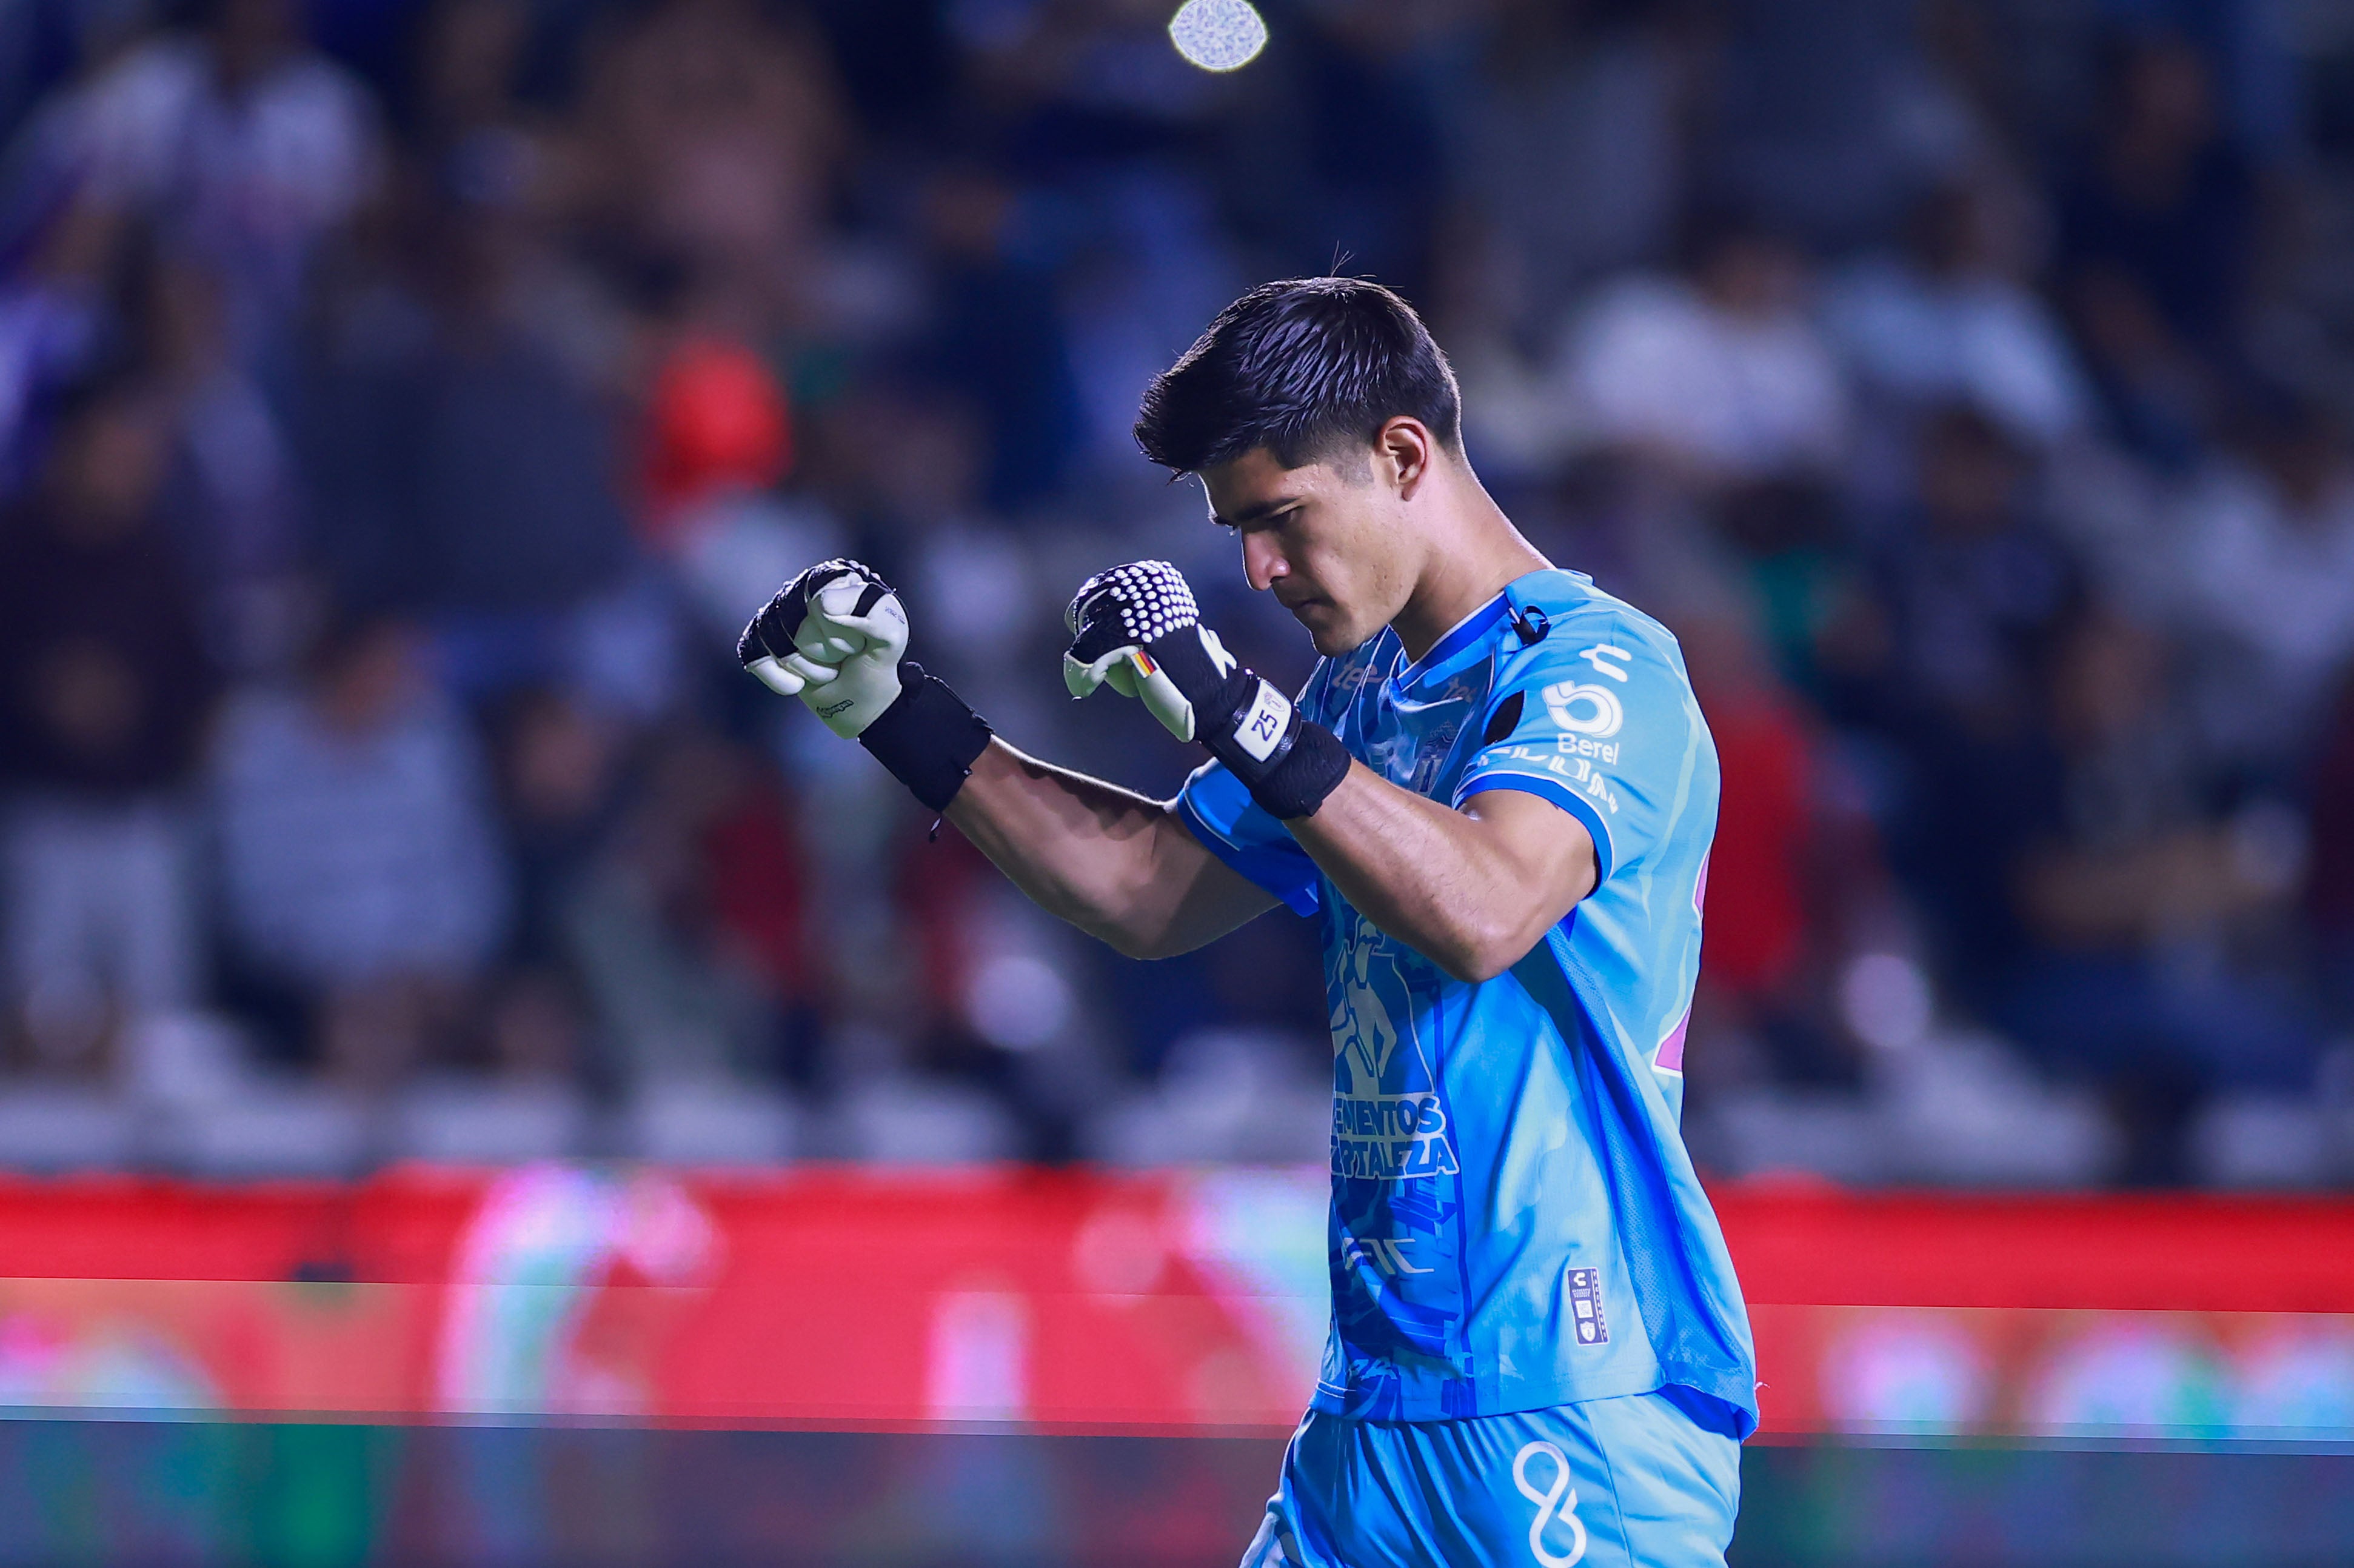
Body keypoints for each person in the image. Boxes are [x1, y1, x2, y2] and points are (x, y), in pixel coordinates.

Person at [737, 279, 1751, 1567]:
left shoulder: (1598, 668)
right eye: (1238, 533)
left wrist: (1240, 712)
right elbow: (1147, 890)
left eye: (1280, 518)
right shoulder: (1361, 689)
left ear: (1402, 456)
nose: (1259, 571)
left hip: (1571, 1400)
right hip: (1372, 1416)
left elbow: (1488, 908)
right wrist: (899, 712)